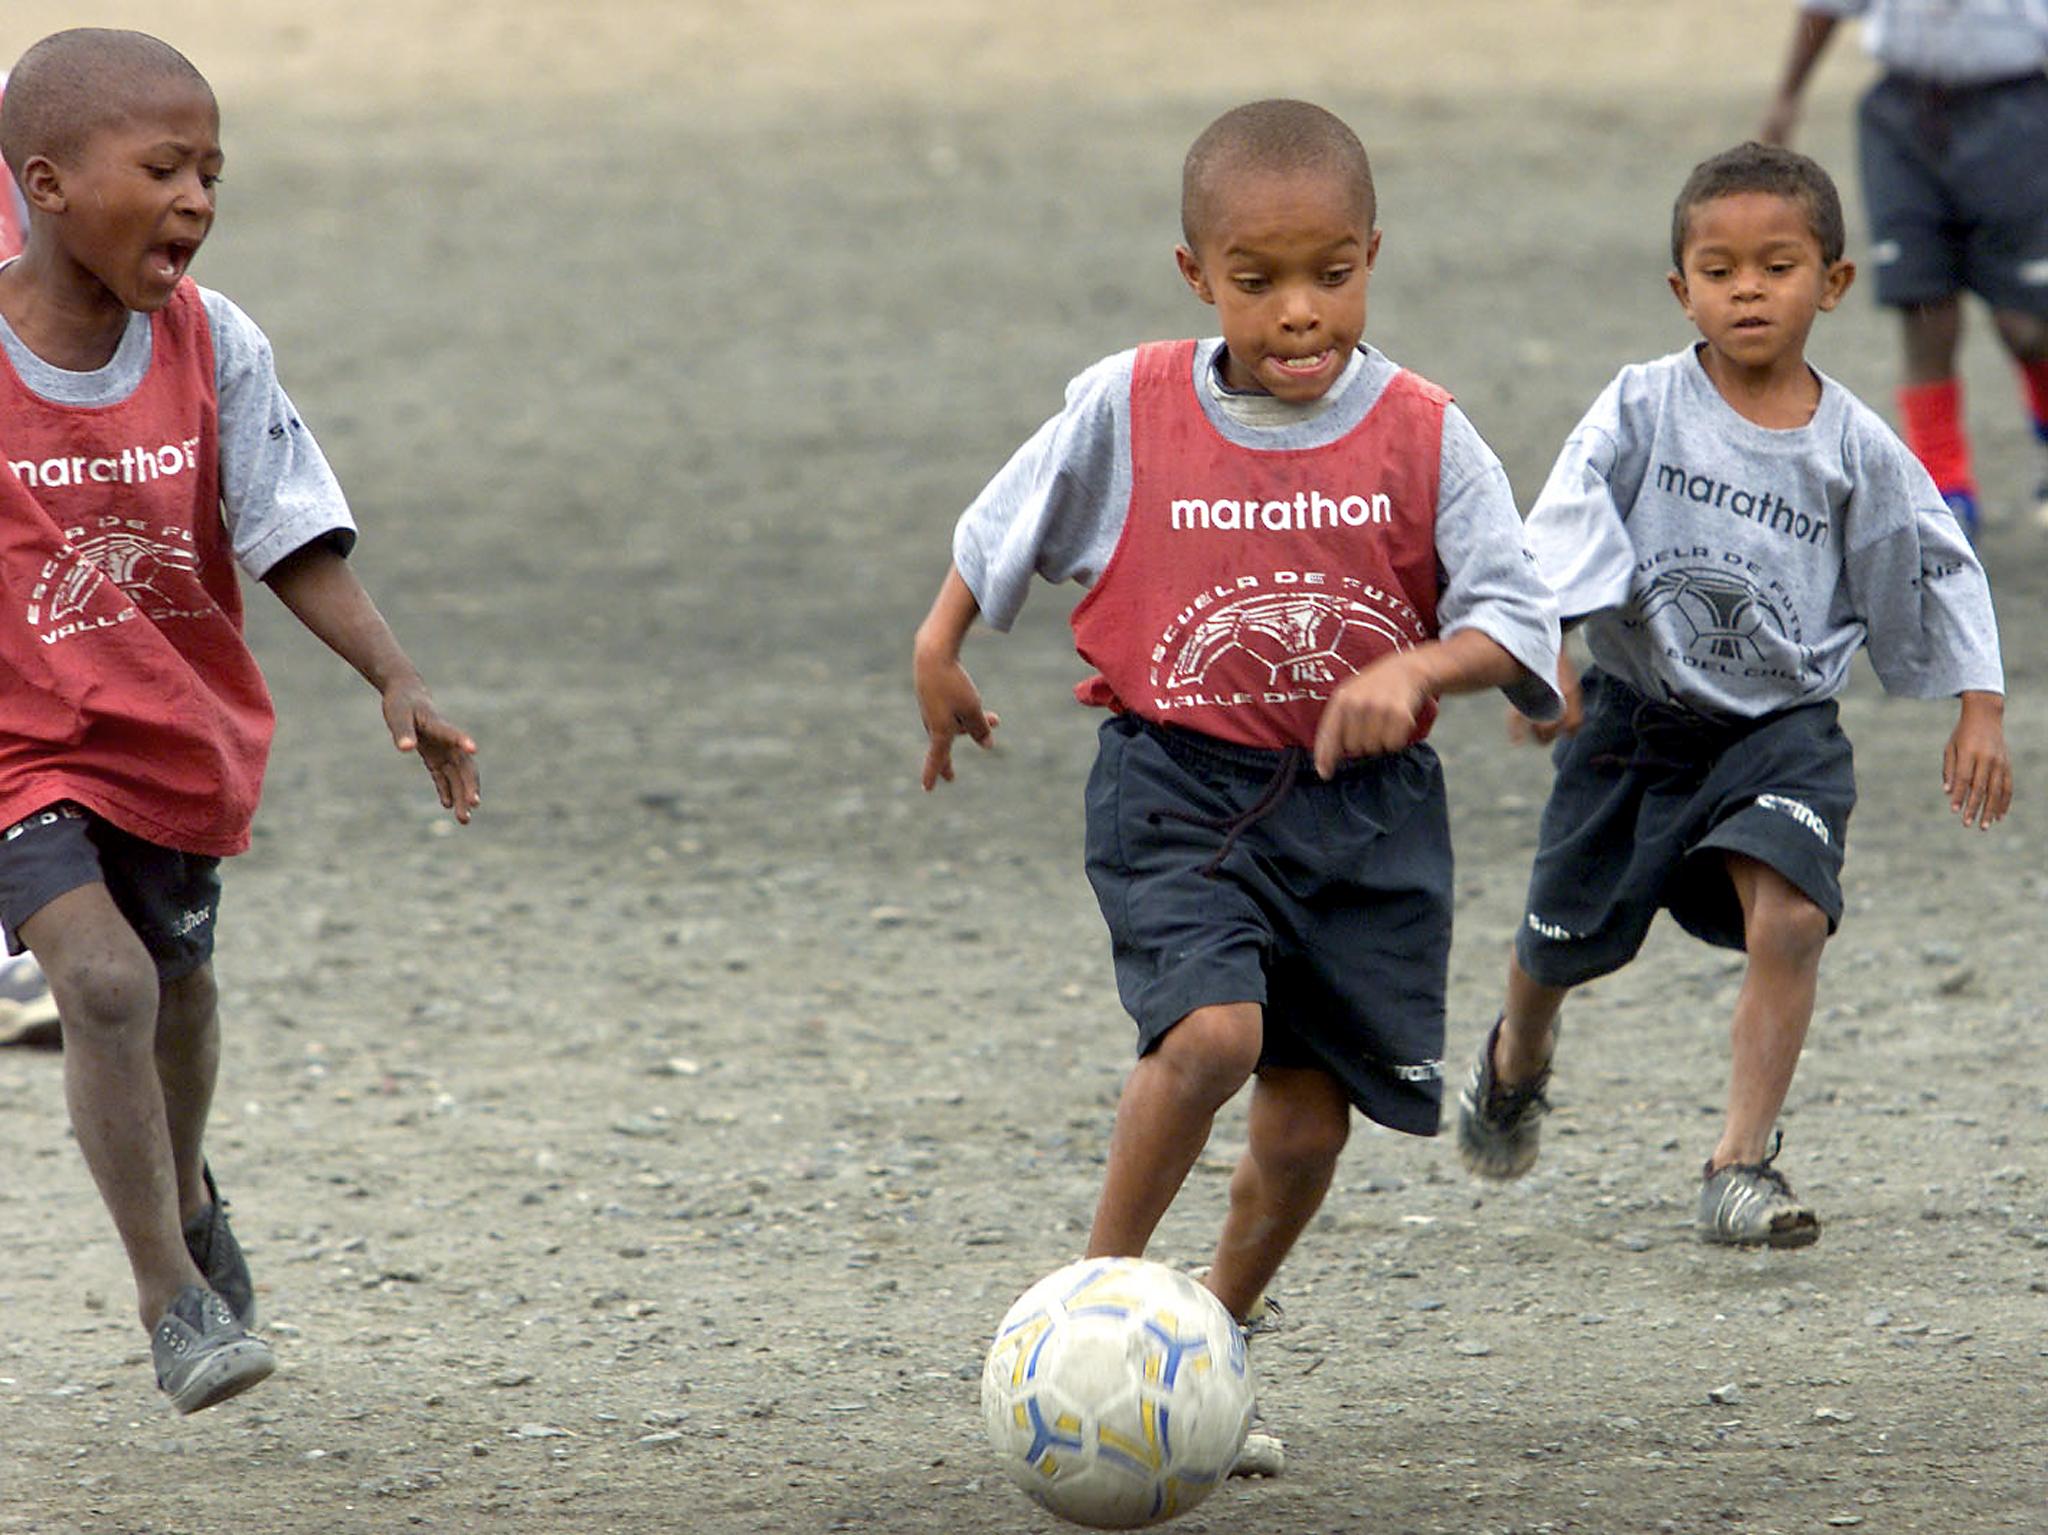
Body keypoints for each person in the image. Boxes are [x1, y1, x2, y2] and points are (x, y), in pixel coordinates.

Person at [913, 99, 1562, 1468]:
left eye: (1332, 273)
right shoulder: (1130, 404)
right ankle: (1082, 1321)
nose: (1299, 310)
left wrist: (1423, 672)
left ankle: (1204, 1341)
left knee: (1311, 1118)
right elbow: (1000, 529)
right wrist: (939, 645)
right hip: (1179, 782)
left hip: (1366, 815)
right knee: (1208, 1033)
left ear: (1373, 256)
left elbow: (1515, 616)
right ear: (1198, 275)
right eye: (1259, 280)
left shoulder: (1426, 432)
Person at [0, 29, 480, 1414]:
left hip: (167, 732)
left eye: (213, 169)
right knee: (101, 984)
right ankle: (171, 1295)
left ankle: (188, 1183)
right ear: (47, 183)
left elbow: (287, 531)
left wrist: (398, 675)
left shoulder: (216, 345)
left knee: (178, 988)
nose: (199, 197)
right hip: (23, 745)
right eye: (162, 168)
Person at [1455, 142, 2010, 1249]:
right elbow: (1564, 519)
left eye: (1775, 264)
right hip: (1631, 723)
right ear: (1680, 290)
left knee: (1793, 914)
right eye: (1717, 269)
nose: (1745, 288)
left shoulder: (1855, 447)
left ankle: (1737, 1161)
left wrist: (1977, 705)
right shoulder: (1641, 406)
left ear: (1833, 283)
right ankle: (1514, 1061)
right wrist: (1542, 649)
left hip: (1780, 728)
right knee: (1557, 940)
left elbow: (1938, 561)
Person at [1760, 0, 2048, 534]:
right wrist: (1787, 96)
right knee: (1922, 306)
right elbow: (1826, 7)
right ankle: (1944, 489)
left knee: (2027, 325)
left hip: (2017, 110)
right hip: (1905, 116)